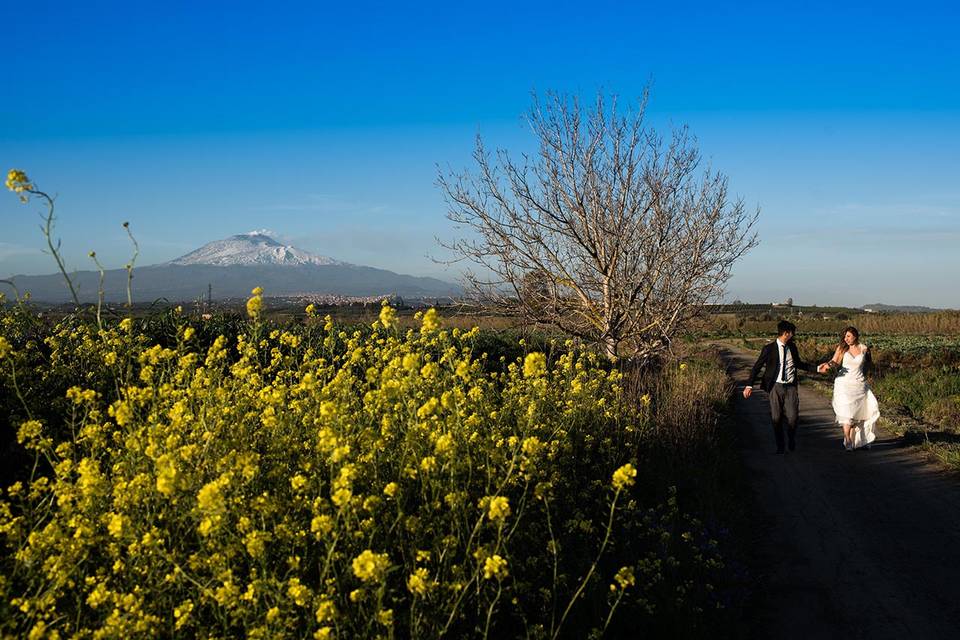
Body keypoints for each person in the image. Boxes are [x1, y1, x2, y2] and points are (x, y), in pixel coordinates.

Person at [743, 320, 820, 454]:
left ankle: (791, 437)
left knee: (793, 417)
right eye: (792, 333)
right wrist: (749, 385)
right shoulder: (769, 349)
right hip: (775, 387)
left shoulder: (793, 348)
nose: (793, 335)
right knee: (776, 418)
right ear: (786, 333)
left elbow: (800, 364)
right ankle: (780, 445)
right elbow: (756, 368)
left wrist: (818, 368)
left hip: (791, 387)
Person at [817, 326, 879, 450]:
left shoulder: (864, 349)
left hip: (859, 384)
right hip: (844, 384)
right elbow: (834, 361)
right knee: (847, 413)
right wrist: (825, 366)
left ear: (855, 336)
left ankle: (860, 439)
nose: (846, 339)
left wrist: (869, 375)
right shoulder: (842, 348)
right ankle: (847, 438)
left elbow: (869, 365)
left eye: (848, 336)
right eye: (845, 336)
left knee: (860, 413)